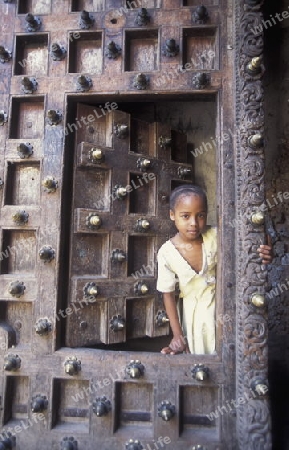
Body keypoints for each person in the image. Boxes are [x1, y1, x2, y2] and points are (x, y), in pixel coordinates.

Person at [156, 184, 272, 355]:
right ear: (172, 215)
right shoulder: (166, 253)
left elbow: (255, 233)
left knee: (235, 355)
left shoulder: (217, 236)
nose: (194, 223)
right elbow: (168, 294)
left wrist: (267, 248)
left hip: (227, 307)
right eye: (185, 216)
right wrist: (178, 335)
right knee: (202, 358)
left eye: (200, 215)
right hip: (194, 317)